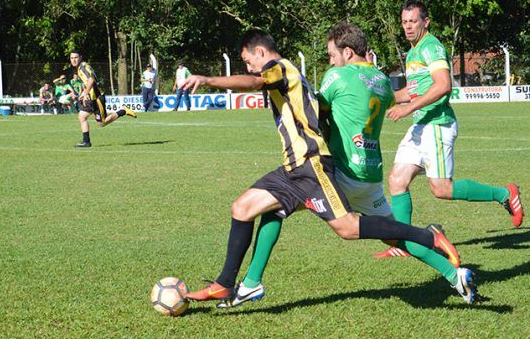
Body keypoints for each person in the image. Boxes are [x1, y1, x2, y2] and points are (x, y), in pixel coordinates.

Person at [181, 29, 461, 303]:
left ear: (261, 52)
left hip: (312, 165)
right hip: (294, 166)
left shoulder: (281, 68)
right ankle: (227, 285)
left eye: (248, 60)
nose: (249, 67)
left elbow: (256, 83)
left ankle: (425, 235)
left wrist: (207, 79)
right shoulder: (296, 73)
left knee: (348, 229)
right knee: (243, 208)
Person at [376, 0, 523, 259]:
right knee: (397, 180)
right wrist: (377, 97)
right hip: (421, 125)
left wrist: (409, 108)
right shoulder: (413, 53)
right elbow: (409, 92)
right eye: (404, 22)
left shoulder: (431, 46)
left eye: (413, 21)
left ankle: (503, 194)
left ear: (426, 21)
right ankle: (403, 243)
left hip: (438, 124)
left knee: (441, 188)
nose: (408, 26)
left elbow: (443, 85)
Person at [69, 50, 137, 148]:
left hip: (97, 98)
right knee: (85, 118)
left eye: (75, 57)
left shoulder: (83, 67)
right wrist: (84, 93)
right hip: (91, 98)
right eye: (72, 58)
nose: (73, 60)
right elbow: (87, 82)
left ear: (80, 57)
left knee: (100, 122)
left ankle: (123, 111)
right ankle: (86, 142)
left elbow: (91, 80)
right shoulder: (80, 68)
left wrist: (86, 93)